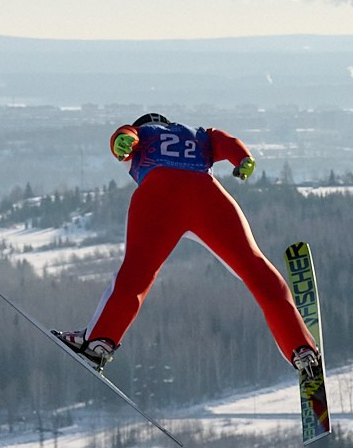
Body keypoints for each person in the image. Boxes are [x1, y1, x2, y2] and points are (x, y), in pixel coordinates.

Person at [55, 113, 324, 414]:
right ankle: (301, 348)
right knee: (254, 268)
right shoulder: (197, 133)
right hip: (207, 197)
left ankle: (99, 342)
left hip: (158, 196)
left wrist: (123, 142)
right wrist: (242, 159)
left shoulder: (145, 133)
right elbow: (225, 142)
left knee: (136, 274)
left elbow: (125, 137)